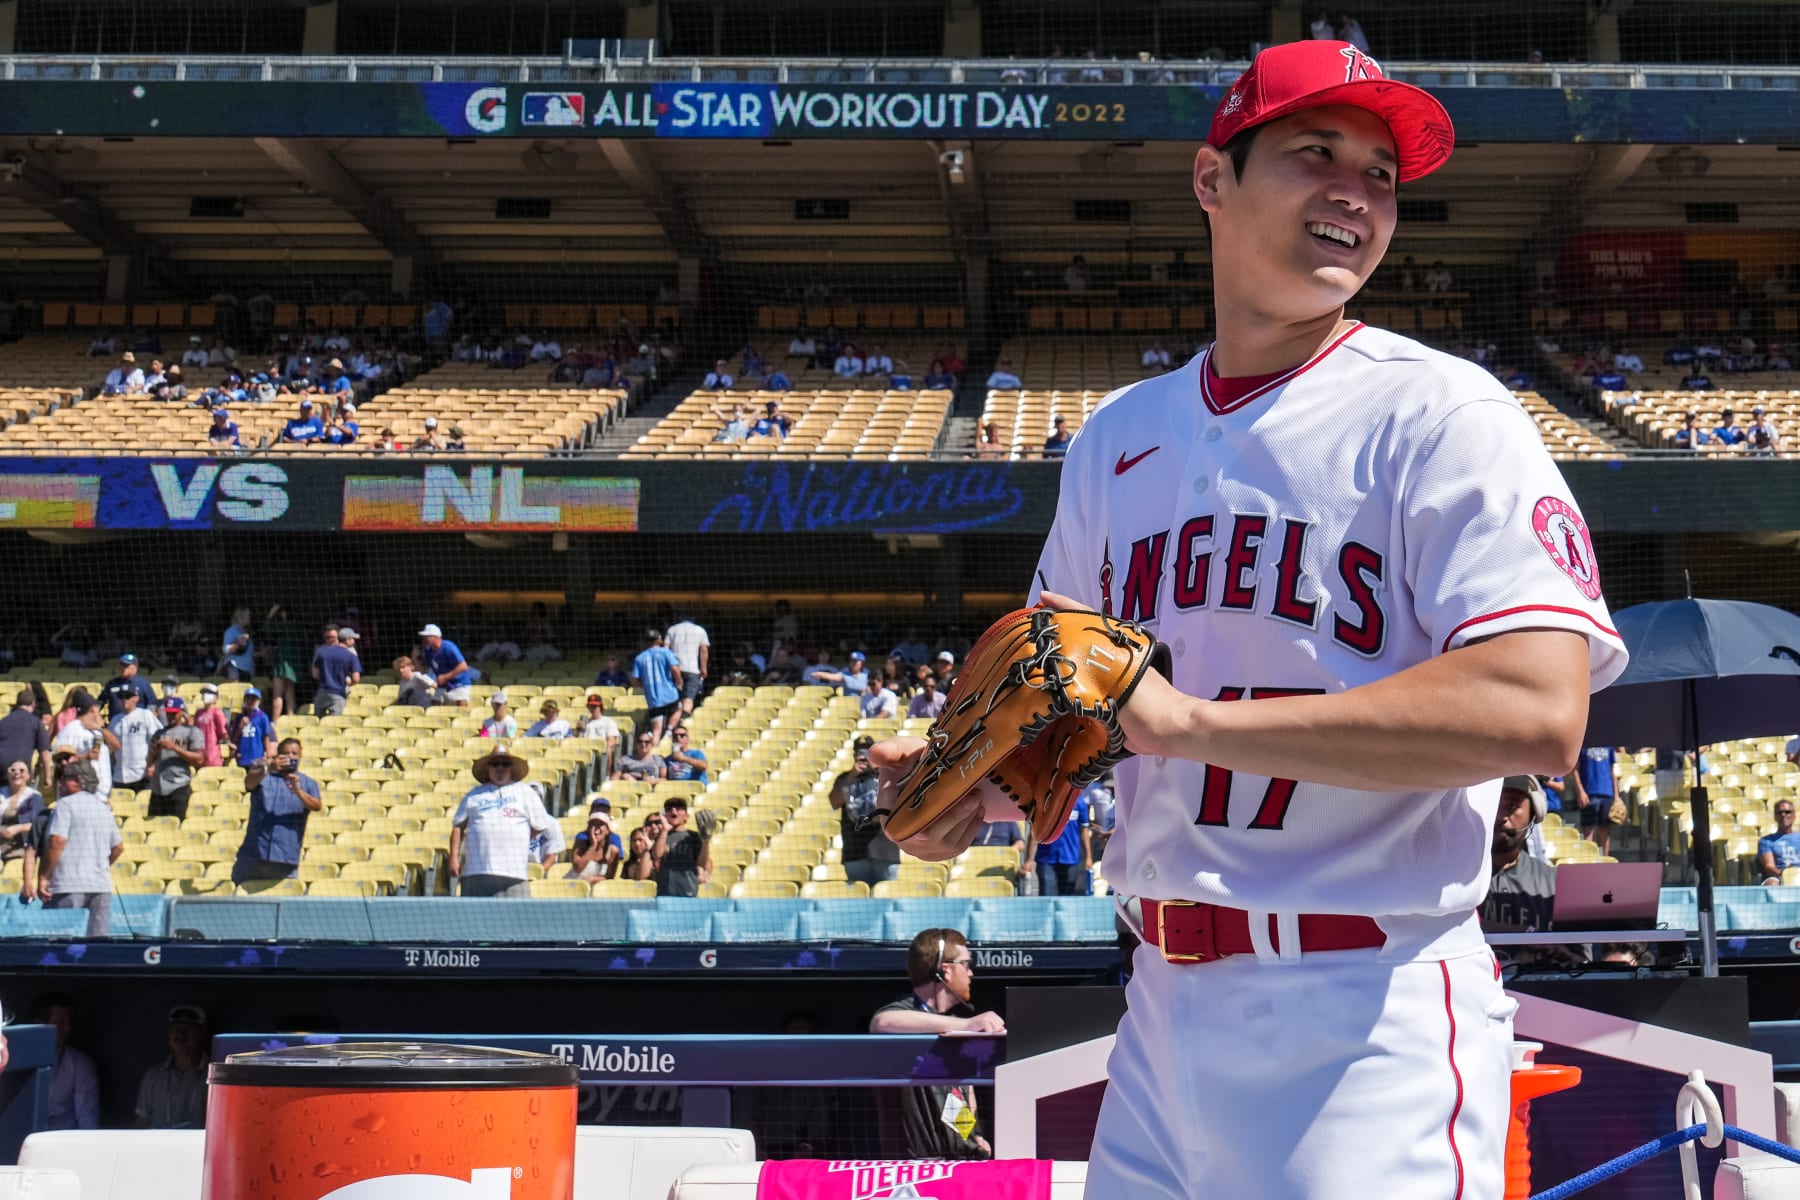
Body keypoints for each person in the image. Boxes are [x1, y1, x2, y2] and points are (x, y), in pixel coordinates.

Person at [871, 41, 1627, 1200]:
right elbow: (1053, 697)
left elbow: (1535, 710)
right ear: (1211, 181)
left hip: (1363, 1015)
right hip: (1158, 1008)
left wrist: (1187, 725)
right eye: (1315, 153)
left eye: (1381, 174)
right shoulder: (1117, 438)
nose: (1356, 194)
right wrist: (966, 787)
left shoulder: (1441, 413)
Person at [867, 929, 1002, 1160]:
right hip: (911, 1167)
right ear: (945, 970)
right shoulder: (905, 1013)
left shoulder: (956, 1025)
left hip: (955, 1161)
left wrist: (972, 1135)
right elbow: (882, 1021)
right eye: (966, 964)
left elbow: (958, 1093)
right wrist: (969, 1024)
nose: (970, 973)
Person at [449, 743, 556, 898]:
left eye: (505, 764)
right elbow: (458, 827)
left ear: (511, 768)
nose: (500, 768)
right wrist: (453, 858)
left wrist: (517, 837)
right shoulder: (473, 795)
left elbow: (540, 825)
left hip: (514, 873)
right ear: (488, 768)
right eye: (495, 764)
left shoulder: (525, 792)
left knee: (514, 921)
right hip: (476, 872)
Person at [36, 759, 122, 937]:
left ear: (78, 781)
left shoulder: (66, 804)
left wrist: (44, 876)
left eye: (64, 778)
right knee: (95, 950)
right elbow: (118, 848)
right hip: (100, 886)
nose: (59, 783)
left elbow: (57, 841)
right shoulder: (104, 809)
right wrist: (98, 865)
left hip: (68, 885)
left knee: (61, 948)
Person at [232, 737, 322, 885]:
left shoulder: (307, 783)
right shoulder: (264, 777)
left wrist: (298, 791)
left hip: (285, 856)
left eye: (294, 753)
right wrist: (269, 768)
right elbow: (249, 783)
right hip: (254, 854)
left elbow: (317, 805)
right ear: (278, 756)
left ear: (300, 757)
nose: (290, 757)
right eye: (285, 753)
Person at [1480, 776, 1556, 931]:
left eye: (1512, 806)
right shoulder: (1454, 878)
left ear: (1534, 813)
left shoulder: (1552, 883)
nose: (1501, 817)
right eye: (1493, 805)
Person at [833, 736, 901, 888]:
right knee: (858, 903)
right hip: (855, 851)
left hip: (885, 851)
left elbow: (898, 802)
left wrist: (881, 770)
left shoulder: (887, 775)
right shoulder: (844, 778)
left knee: (886, 898)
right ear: (854, 755)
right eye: (860, 753)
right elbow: (834, 802)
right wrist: (852, 775)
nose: (864, 758)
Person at [33, 993, 99, 1130]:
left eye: (69, 1021)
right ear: (40, 1025)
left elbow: (88, 1121)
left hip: (62, 1145)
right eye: (60, 1022)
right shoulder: (10, 1059)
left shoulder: (80, 1065)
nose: (68, 1028)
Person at [136, 1005, 209, 1129]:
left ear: (202, 1034)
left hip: (197, 1147)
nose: (181, 1034)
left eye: (188, 1030)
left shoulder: (214, 1077)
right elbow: (141, 1122)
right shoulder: (153, 1076)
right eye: (176, 1029)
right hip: (157, 1146)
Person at [1023, 789, 1092, 896]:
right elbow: (1034, 832)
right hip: (1046, 859)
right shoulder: (1045, 802)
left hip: (1070, 858)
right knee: (1046, 895)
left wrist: (1088, 857)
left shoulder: (1080, 803)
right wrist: (1028, 859)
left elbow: (1084, 831)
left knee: (1068, 897)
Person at [147, 698, 205, 821]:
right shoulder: (159, 733)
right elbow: (150, 761)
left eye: (174, 713)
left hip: (178, 787)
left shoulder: (192, 731)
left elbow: (199, 759)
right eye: (168, 713)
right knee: (154, 825)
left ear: (182, 712)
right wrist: (153, 752)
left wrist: (175, 748)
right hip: (158, 788)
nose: (170, 716)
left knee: (176, 828)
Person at [51, 700, 116, 801]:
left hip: (102, 793)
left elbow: (116, 746)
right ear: (92, 710)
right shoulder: (71, 730)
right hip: (82, 792)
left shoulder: (96, 730)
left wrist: (101, 729)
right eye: (97, 709)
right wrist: (85, 757)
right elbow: (59, 759)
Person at [652, 796, 712, 898]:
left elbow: (701, 863)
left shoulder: (693, 836)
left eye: (679, 808)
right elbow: (657, 855)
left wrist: (705, 841)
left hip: (687, 890)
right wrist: (665, 830)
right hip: (665, 892)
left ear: (686, 816)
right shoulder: (663, 835)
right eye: (669, 809)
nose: (673, 810)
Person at [631, 628, 683, 741]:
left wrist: (645, 685)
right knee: (678, 709)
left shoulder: (639, 658)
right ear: (658, 640)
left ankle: (654, 751)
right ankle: (669, 731)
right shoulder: (665, 652)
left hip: (653, 699)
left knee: (656, 730)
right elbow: (675, 668)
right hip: (669, 694)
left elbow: (634, 680)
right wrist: (679, 680)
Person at [108, 688, 162, 795]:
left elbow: (158, 740)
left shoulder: (145, 715)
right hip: (119, 775)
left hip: (141, 773)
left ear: (136, 698)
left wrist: (153, 764)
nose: (124, 700)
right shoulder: (115, 720)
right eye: (121, 697)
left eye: (127, 697)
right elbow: (111, 747)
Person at [0, 687, 52, 792]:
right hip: (21, 768)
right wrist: (48, 776)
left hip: (1, 768)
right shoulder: (36, 722)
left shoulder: (3, 721)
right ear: (33, 704)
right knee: (22, 801)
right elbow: (44, 751)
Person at [415, 623, 474, 706]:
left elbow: (463, 666)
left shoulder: (449, 647)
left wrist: (446, 677)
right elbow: (424, 669)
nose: (423, 639)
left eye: (426, 637)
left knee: (460, 703)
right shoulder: (428, 651)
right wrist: (414, 658)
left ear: (434, 637)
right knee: (435, 703)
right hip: (443, 685)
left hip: (459, 683)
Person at [666, 614, 711, 718]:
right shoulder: (700, 630)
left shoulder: (672, 629)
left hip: (674, 668)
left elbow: (666, 649)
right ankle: (683, 719)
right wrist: (704, 668)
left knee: (675, 698)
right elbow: (704, 650)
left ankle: (673, 719)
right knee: (689, 698)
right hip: (692, 669)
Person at [310, 626, 362, 717]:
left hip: (321, 693)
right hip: (338, 694)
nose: (354, 641)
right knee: (335, 724)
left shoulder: (321, 652)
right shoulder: (351, 655)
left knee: (317, 725)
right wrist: (347, 683)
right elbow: (356, 679)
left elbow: (315, 674)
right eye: (352, 639)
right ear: (347, 640)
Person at [1577, 744, 1620, 854]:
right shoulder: (1583, 744)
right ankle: (1587, 862)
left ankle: (1604, 861)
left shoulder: (1609, 745)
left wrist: (1616, 795)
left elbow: (1612, 771)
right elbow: (1575, 769)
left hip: (1607, 792)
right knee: (1588, 831)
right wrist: (1580, 791)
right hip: (1588, 793)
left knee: (1604, 830)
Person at [568, 800, 623, 881]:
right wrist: (593, 846)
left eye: (600, 824)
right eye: (593, 824)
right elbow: (578, 868)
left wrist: (593, 879)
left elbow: (610, 877)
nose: (596, 828)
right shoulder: (580, 843)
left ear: (607, 830)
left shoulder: (613, 851)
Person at [0, 761, 43, 861]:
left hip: (22, 849)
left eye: (21, 770)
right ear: (7, 774)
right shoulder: (1, 793)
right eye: (13, 770)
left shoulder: (34, 797)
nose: (17, 773)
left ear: (28, 776)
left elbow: (38, 824)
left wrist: (17, 828)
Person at [101, 652, 158, 721]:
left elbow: (152, 703)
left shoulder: (142, 683)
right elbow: (100, 702)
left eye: (126, 666)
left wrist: (148, 719)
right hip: (115, 723)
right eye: (121, 665)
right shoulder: (112, 683)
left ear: (135, 668)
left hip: (137, 723)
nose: (123, 668)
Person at [229, 686, 274, 768]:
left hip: (257, 757)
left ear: (258, 701)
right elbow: (234, 739)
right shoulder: (239, 717)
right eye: (248, 699)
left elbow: (266, 737)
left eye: (253, 699)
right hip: (242, 757)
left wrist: (268, 753)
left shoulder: (262, 717)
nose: (250, 701)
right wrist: (240, 727)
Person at [1759, 799, 1800, 885]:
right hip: (1779, 876)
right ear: (1775, 816)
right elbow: (1769, 866)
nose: (1783, 815)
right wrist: (1786, 876)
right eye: (1780, 812)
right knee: (1771, 884)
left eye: (1787, 812)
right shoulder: (1766, 841)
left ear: (1794, 815)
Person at [193, 684, 230, 767]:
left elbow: (223, 733)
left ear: (216, 697)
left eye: (209, 693)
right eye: (204, 692)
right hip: (199, 753)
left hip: (212, 755)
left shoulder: (217, 712)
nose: (205, 695)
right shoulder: (198, 713)